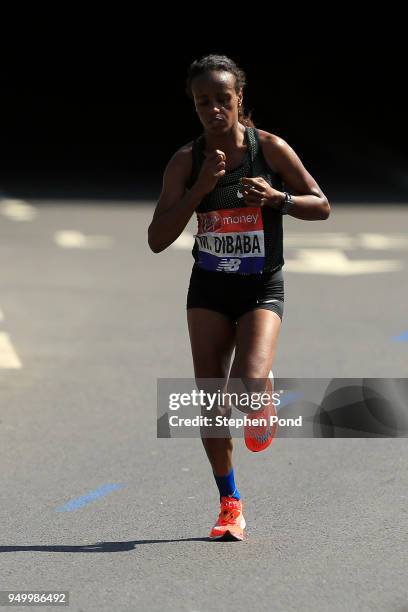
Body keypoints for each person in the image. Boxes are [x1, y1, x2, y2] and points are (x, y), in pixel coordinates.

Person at [148, 54, 330, 541]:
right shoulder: (187, 161)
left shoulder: (268, 149)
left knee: (248, 385)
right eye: (202, 102)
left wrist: (277, 200)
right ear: (194, 105)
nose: (213, 110)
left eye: (222, 99)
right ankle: (230, 503)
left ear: (239, 99)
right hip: (208, 287)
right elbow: (157, 237)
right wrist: (201, 188)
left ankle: (260, 390)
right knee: (211, 402)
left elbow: (322, 204)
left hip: (259, 285)